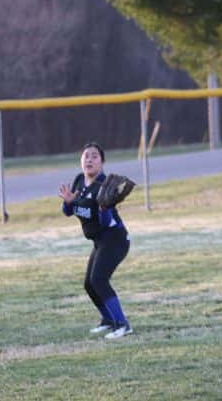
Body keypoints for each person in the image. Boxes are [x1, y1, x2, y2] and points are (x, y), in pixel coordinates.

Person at [59, 142, 133, 339]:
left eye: (94, 156)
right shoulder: (78, 181)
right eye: (86, 156)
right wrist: (67, 202)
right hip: (99, 241)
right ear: (81, 161)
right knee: (89, 284)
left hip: (115, 239)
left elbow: (106, 223)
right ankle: (108, 320)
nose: (89, 159)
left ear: (102, 162)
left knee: (99, 280)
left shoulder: (104, 186)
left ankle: (123, 325)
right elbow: (68, 211)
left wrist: (103, 209)